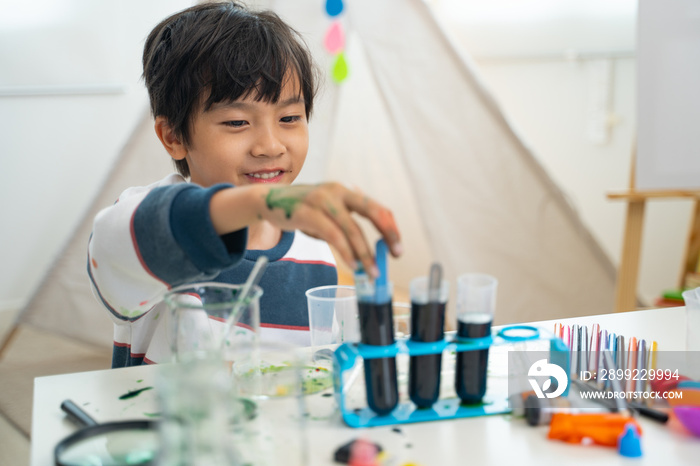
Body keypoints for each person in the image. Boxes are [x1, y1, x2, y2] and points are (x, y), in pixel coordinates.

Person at [88, 1, 402, 367]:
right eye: (237, 122)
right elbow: (119, 240)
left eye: (289, 117)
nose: (271, 145)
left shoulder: (313, 251)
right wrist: (261, 202)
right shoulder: (154, 228)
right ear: (173, 135)